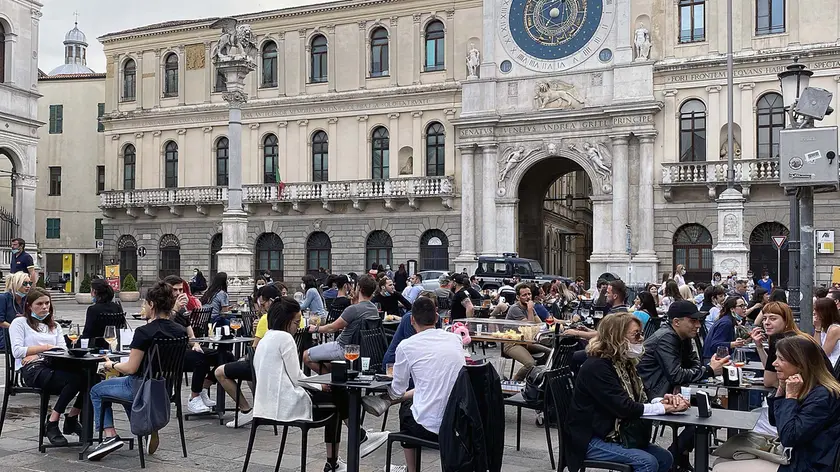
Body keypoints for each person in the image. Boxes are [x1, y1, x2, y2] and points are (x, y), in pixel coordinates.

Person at [566, 312, 686, 472]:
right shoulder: (597, 367)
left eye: (641, 334)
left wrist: (661, 402)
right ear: (616, 337)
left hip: (614, 434)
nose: (641, 339)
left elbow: (639, 399)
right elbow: (624, 407)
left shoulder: (624, 362)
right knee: (647, 463)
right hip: (589, 438)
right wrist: (664, 408)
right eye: (636, 335)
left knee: (665, 458)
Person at [360, 296, 465, 472]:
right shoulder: (455, 339)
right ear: (437, 318)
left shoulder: (407, 346)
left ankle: (411, 469)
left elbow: (398, 389)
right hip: (459, 421)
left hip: (428, 425)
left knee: (406, 409)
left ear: (411, 320)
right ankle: (385, 402)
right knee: (425, 391)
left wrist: (389, 397)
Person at [86, 282, 188, 460]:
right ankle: (146, 428)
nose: (144, 307)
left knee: (96, 390)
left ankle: (110, 435)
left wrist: (111, 365)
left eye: (145, 303)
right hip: (164, 388)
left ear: (152, 305)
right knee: (122, 391)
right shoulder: (180, 331)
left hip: (139, 387)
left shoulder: (144, 332)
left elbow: (130, 368)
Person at [712, 335, 840, 472]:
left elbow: (789, 437)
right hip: (798, 456)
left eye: (781, 359)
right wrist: (780, 391)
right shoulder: (806, 386)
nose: (774, 363)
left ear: (801, 364)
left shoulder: (823, 395)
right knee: (721, 460)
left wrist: (791, 397)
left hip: (810, 465)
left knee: (722, 468)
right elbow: (774, 420)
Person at [637, 300, 729, 469]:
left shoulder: (683, 336)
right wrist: (709, 370)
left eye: (699, 321)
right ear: (676, 322)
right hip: (652, 395)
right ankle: (677, 454)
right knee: (706, 414)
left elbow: (694, 363)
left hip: (669, 392)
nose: (698, 325)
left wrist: (702, 370)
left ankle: (680, 453)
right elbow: (676, 375)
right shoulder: (666, 337)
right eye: (693, 321)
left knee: (713, 410)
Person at [9, 288, 84, 446]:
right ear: (29, 306)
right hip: (32, 369)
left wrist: (39, 353)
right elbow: (17, 351)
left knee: (92, 377)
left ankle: (71, 417)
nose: (45, 307)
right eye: (40, 304)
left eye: (47, 303)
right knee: (76, 380)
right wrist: (47, 348)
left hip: (52, 363)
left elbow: (62, 350)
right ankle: (53, 423)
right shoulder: (19, 323)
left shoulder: (54, 325)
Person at [214, 284, 281, 428]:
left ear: (268, 301)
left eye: (262, 304)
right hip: (280, 365)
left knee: (220, 371)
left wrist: (255, 331)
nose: (261, 307)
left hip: (263, 366)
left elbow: (255, 348)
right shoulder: (293, 315)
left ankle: (245, 410)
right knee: (245, 369)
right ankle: (262, 407)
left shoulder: (266, 319)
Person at [304, 275, 382, 369]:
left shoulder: (353, 309)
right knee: (329, 363)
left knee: (306, 355)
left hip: (344, 347)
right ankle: (334, 378)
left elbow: (332, 327)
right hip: (364, 349)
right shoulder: (374, 309)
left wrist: (316, 329)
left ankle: (329, 382)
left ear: (359, 288)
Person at [502, 283, 551, 381]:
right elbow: (529, 327)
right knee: (530, 364)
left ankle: (538, 379)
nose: (528, 297)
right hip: (512, 343)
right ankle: (514, 383)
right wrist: (529, 309)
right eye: (524, 295)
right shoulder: (515, 309)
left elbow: (540, 324)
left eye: (529, 294)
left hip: (526, 342)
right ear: (518, 297)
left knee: (551, 353)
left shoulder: (531, 308)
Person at [748, 302, 803, 388]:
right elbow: (773, 369)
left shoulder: (783, 340)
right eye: (764, 318)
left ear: (786, 321)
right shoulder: (795, 335)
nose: (766, 323)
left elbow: (769, 381)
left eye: (773, 319)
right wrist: (759, 347)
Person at [81, 278, 124, 348]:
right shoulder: (117, 307)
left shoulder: (93, 309)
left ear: (94, 291)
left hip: (95, 344)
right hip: (114, 342)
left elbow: (87, 333)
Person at [702, 296, 747, 362]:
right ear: (732, 309)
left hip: (717, 358)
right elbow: (714, 345)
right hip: (712, 360)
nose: (745, 308)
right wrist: (733, 344)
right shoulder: (726, 323)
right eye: (741, 306)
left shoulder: (728, 320)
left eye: (745, 305)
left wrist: (735, 341)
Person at [0, 272, 30, 351]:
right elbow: (0, 322)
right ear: (17, 284)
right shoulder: (3, 298)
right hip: (6, 336)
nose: (28, 286)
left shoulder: (26, 300)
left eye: (30, 283)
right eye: (25, 284)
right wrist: (16, 329)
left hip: (23, 335)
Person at [813, 297, 840, 367]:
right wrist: (817, 328)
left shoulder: (834, 329)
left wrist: (818, 328)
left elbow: (822, 354)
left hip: (832, 367)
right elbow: (816, 347)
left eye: (816, 310)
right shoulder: (824, 327)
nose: (814, 312)